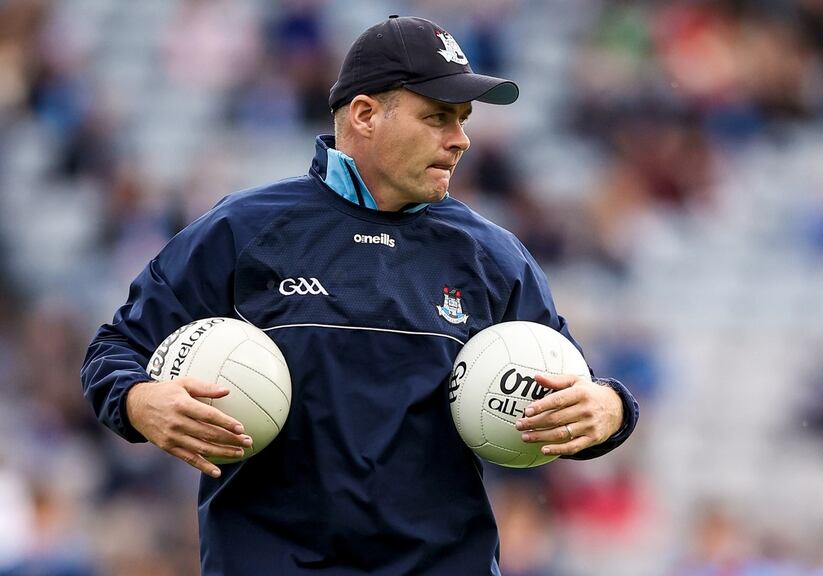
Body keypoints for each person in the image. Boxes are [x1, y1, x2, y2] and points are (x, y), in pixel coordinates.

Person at [81, 15, 639, 575]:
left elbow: (575, 394)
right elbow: (116, 347)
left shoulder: (493, 257)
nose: (461, 139)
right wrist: (140, 401)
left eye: (464, 120)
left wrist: (610, 409)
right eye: (438, 117)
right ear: (366, 115)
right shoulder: (243, 230)